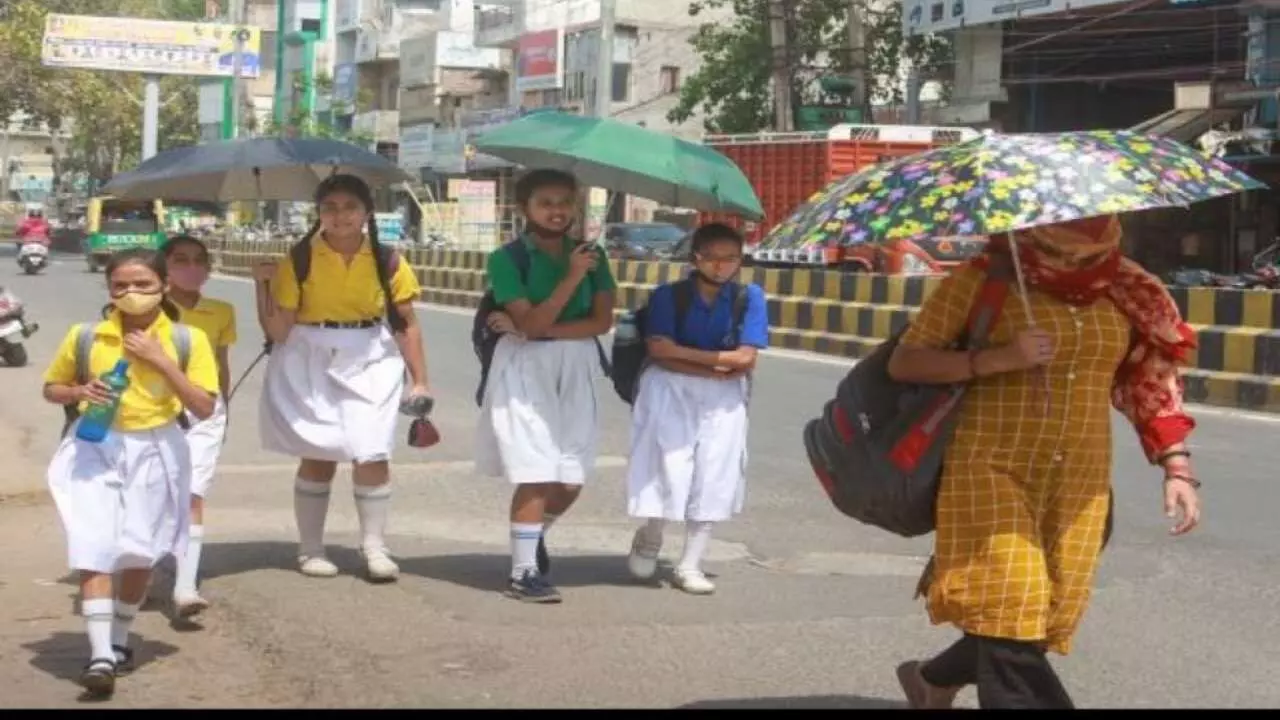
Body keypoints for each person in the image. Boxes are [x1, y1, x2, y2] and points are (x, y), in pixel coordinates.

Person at [886, 215, 1202, 709]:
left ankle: (933, 678)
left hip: (1079, 475)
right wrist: (996, 359)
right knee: (1014, 595)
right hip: (990, 464)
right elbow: (905, 362)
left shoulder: (1129, 287)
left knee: (1036, 610)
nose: (1085, 242)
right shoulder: (984, 278)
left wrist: (1176, 465)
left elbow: (1154, 379)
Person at [42, 248, 219, 698]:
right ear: (109, 291)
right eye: (120, 285)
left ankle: (120, 639)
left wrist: (160, 360)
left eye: (142, 284)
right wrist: (81, 389)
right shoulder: (87, 336)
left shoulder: (186, 340)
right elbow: (52, 388)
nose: (131, 293)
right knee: (94, 544)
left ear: (163, 286)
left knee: (139, 551)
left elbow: (203, 406)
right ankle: (100, 655)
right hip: (94, 445)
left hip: (157, 447)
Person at [253, 174, 431, 583]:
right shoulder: (298, 259)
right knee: (318, 452)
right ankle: (311, 549)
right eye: (330, 208)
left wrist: (420, 380)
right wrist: (261, 284)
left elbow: (406, 323)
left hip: (371, 353)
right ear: (319, 214)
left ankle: (374, 546)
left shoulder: (389, 260)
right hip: (308, 354)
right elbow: (279, 331)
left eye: (350, 207)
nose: (340, 216)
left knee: (372, 451)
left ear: (367, 212)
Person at [477, 169, 617, 604]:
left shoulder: (594, 255)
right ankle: (523, 574)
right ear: (525, 209)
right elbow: (531, 325)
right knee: (536, 470)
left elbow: (601, 322)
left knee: (571, 478)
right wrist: (572, 279)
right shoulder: (507, 259)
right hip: (523, 369)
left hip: (575, 366)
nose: (557, 212)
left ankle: (533, 536)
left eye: (564, 202)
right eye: (545, 203)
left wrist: (540, 327)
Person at [623, 223, 769, 595]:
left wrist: (687, 354)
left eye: (731, 258)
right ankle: (651, 535)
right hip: (671, 388)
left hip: (724, 395)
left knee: (715, 474)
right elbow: (659, 352)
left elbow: (747, 357)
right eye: (713, 258)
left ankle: (690, 563)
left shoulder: (749, 298)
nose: (722, 266)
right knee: (668, 466)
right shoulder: (668, 296)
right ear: (695, 258)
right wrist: (713, 364)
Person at [162, 235, 237, 617]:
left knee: (192, 494)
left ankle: (185, 586)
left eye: (197, 260)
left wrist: (223, 406)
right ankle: (138, 570)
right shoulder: (150, 310)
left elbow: (222, 362)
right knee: (153, 494)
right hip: (155, 412)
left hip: (204, 411)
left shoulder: (221, 311)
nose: (190, 268)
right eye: (180, 260)